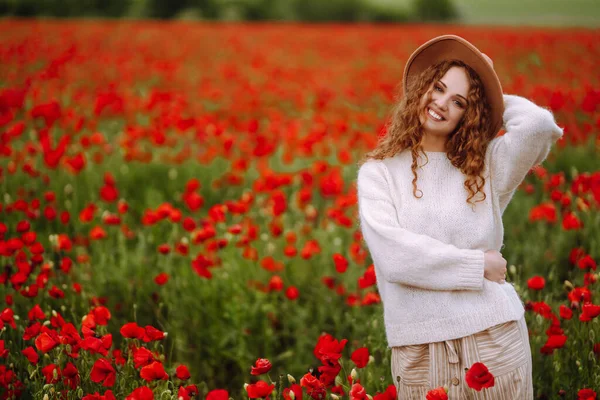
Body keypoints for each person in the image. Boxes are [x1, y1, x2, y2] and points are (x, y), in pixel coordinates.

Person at [356, 35, 563, 399]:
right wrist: (476, 265)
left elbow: (537, 127)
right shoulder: (380, 173)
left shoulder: (484, 167)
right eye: (436, 88)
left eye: (459, 102)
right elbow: (394, 256)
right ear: (421, 88)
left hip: (494, 338)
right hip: (420, 351)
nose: (441, 104)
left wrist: (489, 87)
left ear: (471, 113)